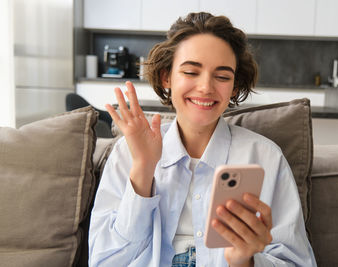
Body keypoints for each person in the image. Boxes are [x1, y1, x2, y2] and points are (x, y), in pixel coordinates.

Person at [88, 12, 316, 267]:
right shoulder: (128, 153)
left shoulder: (266, 158)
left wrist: (245, 261)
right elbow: (104, 261)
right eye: (190, 71)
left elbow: (298, 262)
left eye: (222, 76)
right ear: (167, 78)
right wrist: (143, 168)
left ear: (235, 86)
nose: (206, 87)